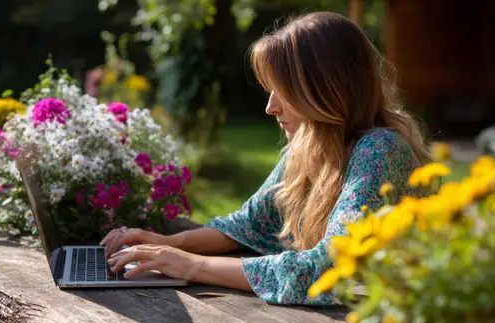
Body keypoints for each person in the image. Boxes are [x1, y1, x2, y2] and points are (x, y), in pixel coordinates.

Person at [101, 11, 432, 305]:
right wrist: (168, 243)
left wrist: (190, 265)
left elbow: (326, 266)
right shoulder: (309, 150)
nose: (270, 107)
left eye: (283, 92)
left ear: (326, 92)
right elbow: (251, 224)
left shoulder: (380, 150)